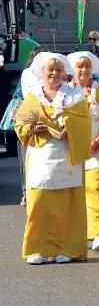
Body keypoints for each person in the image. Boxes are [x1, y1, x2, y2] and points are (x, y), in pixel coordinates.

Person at [14, 53, 92, 264]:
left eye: (59, 70)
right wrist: (32, 128)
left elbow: (84, 124)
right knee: (39, 203)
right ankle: (38, 248)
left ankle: (67, 248)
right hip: (40, 156)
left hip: (67, 156)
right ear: (42, 72)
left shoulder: (75, 96)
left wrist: (69, 127)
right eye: (51, 70)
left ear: (64, 73)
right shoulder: (32, 97)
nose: (55, 74)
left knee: (67, 205)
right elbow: (19, 124)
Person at [68, 51, 99, 252]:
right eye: (79, 67)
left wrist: (98, 139)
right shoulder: (66, 91)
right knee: (75, 192)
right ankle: (78, 233)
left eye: (87, 67)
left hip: (98, 148)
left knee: (95, 189)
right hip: (72, 149)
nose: (83, 70)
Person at [0, 46, 46, 207]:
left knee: (25, 157)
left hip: (26, 121)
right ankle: (29, 192)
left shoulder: (26, 74)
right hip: (31, 120)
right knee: (28, 156)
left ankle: (27, 193)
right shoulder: (31, 76)